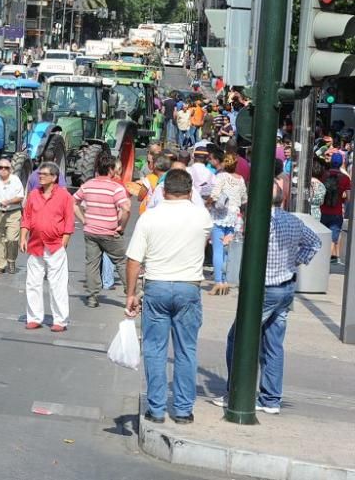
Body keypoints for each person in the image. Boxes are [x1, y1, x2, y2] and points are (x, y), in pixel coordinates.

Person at [212, 183, 321, 415]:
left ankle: (236, 391)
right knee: (273, 344)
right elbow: (315, 243)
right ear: (281, 200)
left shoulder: (261, 222)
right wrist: (294, 262)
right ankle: (271, 399)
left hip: (264, 289)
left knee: (238, 338)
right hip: (285, 286)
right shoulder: (293, 221)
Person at [125, 169, 213, 425]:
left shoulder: (150, 218)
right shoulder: (201, 216)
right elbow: (206, 238)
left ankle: (156, 408)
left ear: (163, 191)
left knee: (155, 348)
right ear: (190, 191)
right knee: (187, 350)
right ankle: (183, 410)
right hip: (188, 287)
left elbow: (133, 260)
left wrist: (130, 294)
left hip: (157, 286)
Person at [21, 162, 74, 332]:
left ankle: (60, 320)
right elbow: (27, 218)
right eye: (39, 174)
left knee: (57, 284)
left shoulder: (65, 197)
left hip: (55, 245)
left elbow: (69, 220)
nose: (40, 176)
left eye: (44, 174)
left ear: (54, 177)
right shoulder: (34, 195)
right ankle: (34, 317)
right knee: (32, 282)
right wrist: (23, 237)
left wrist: (64, 241)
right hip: (35, 244)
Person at [73, 150, 130, 308]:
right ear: (111, 169)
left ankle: (92, 297)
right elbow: (126, 209)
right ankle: (131, 293)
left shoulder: (87, 185)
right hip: (110, 232)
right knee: (121, 262)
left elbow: (74, 202)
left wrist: (84, 220)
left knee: (92, 264)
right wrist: (121, 226)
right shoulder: (115, 188)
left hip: (91, 231)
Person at [208, 153, 247, 295]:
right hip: (234, 217)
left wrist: (208, 203)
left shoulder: (221, 177)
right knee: (226, 250)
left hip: (220, 216)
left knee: (218, 249)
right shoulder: (240, 179)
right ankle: (224, 280)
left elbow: (214, 195)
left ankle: (218, 281)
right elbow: (244, 199)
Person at [320, 152, 350, 262]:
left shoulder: (324, 175)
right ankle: (326, 261)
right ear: (341, 163)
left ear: (331, 162)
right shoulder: (346, 179)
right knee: (333, 238)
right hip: (337, 212)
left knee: (323, 236)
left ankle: (321, 259)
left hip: (323, 210)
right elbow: (348, 197)